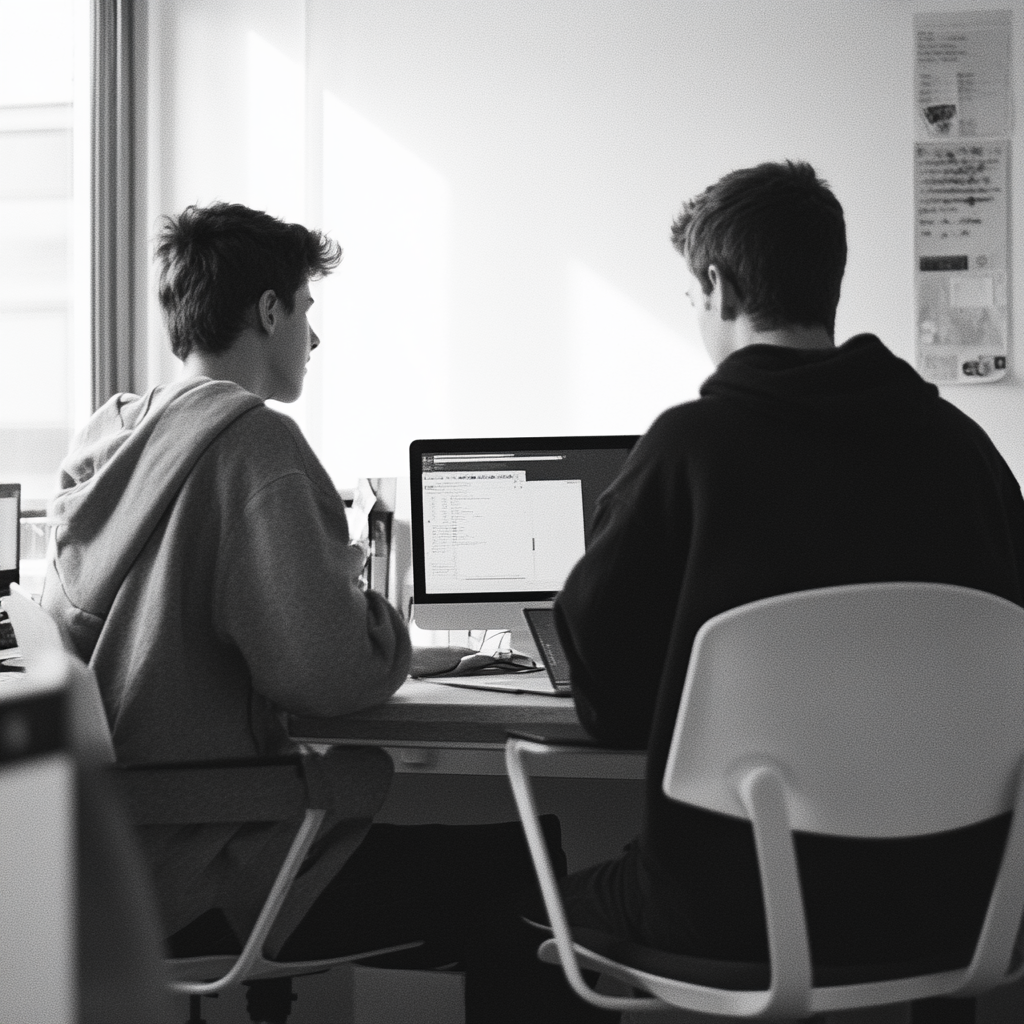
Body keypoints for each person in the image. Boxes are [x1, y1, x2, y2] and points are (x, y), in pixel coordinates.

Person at [43, 202, 613, 1023]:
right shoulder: (255, 447)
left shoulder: (112, 436)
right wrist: (375, 618)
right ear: (269, 311)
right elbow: (327, 675)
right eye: (307, 310)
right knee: (529, 873)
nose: (312, 337)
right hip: (214, 867)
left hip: (108, 863)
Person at [551, 161, 1024, 971]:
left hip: (730, 905)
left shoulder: (688, 450)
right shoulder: (965, 451)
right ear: (827, 285)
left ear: (716, 284)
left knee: (518, 893)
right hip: (962, 901)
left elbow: (608, 700)